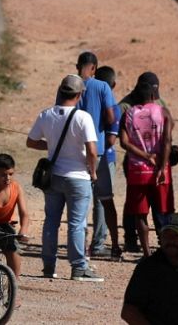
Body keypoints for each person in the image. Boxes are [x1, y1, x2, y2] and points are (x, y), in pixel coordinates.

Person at [28, 73, 104, 281]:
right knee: (77, 223)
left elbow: (31, 142)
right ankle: (78, 267)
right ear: (79, 95)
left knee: (51, 221)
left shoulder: (46, 115)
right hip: (78, 177)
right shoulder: (83, 117)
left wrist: (51, 147)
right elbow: (91, 149)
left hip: (54, 177)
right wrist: (93, 171)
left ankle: (48, 266)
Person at [72, 51, 121, 260]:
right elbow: (111, 118)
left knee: (78, 201)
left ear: (77, 66)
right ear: (94, 68)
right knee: (104, 201)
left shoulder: (69, 85)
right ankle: (107, 244)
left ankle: (81, 247)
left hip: (74, 152)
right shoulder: (102, 87)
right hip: (98, 153)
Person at [121, 71, 174, 257]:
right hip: (160, 170)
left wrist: (144, 155)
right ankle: (166, 249)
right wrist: (160, 166)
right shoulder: (163, 112)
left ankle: (146, 253)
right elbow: (167, 141)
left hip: (137, 171)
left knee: (140, 214)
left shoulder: (128, 113)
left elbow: (124, 142)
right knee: (164, 211)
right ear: (153, 95)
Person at [121, 212, 178, 325]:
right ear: (160, 237)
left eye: (177, 235)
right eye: (166, 234)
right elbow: (128, 312)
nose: (171, 240)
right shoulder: (148, 268)